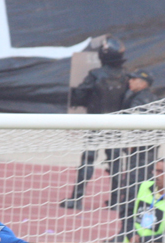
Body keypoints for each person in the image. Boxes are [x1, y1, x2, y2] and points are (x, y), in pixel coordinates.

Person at [60, 36, 129, 211]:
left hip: (96, 122)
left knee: (88, 161)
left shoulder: (96, 75)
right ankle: (116, 200)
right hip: (116, 124)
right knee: (115, 162)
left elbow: (79, 95)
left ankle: (77, 198)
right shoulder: (126, 77)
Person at [114, 69, 158, 242]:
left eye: (134, 79)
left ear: (143, 83)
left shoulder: (140, 100)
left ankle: (129, 233)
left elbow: (136, 121)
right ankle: (138, 232)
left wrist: (132, 140)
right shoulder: (152, 99)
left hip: (140, 153)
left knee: (134, 193)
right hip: (148, 151)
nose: (130, 82)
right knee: (142, 191)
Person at [130, 158, 165, 243]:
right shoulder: (143, 186)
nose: (156, 175)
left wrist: (142, 240)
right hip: (129, 240)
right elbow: (126, 213)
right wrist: (132, 235)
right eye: (155, 171)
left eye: (160, 172)